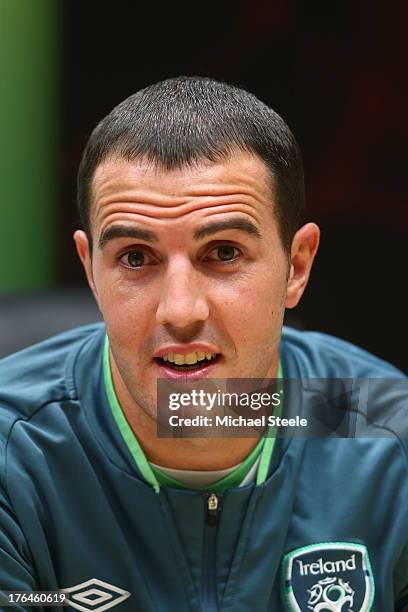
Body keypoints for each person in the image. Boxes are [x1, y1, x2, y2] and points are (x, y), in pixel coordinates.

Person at [0, 76, 407, 612]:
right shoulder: (13, 457)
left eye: (223, 253)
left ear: (296, 266)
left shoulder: (384, 433)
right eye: (135, 258)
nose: (181, 310)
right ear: (91, 271)